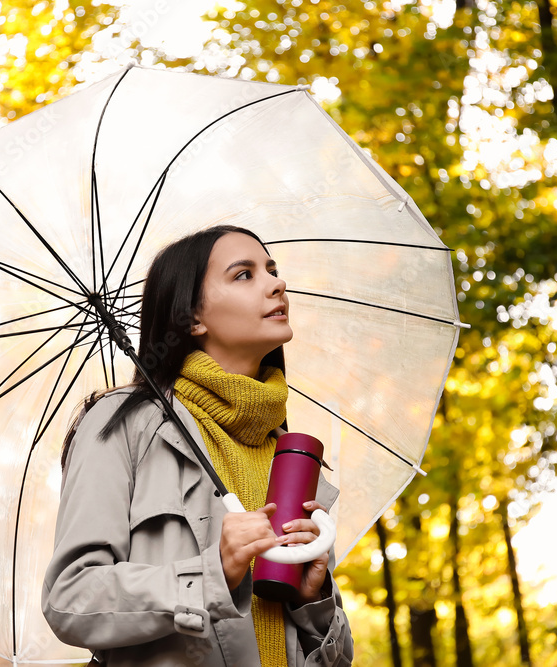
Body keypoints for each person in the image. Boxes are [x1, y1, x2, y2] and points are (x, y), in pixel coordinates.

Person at [41, 226, 353, 666]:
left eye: (272, 269)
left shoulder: (292, 456)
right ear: (192, 318)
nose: (276, 283)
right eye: (244, 275)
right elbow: (70, 598)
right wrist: (211, 575)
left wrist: (313, 599)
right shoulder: (124, 426)